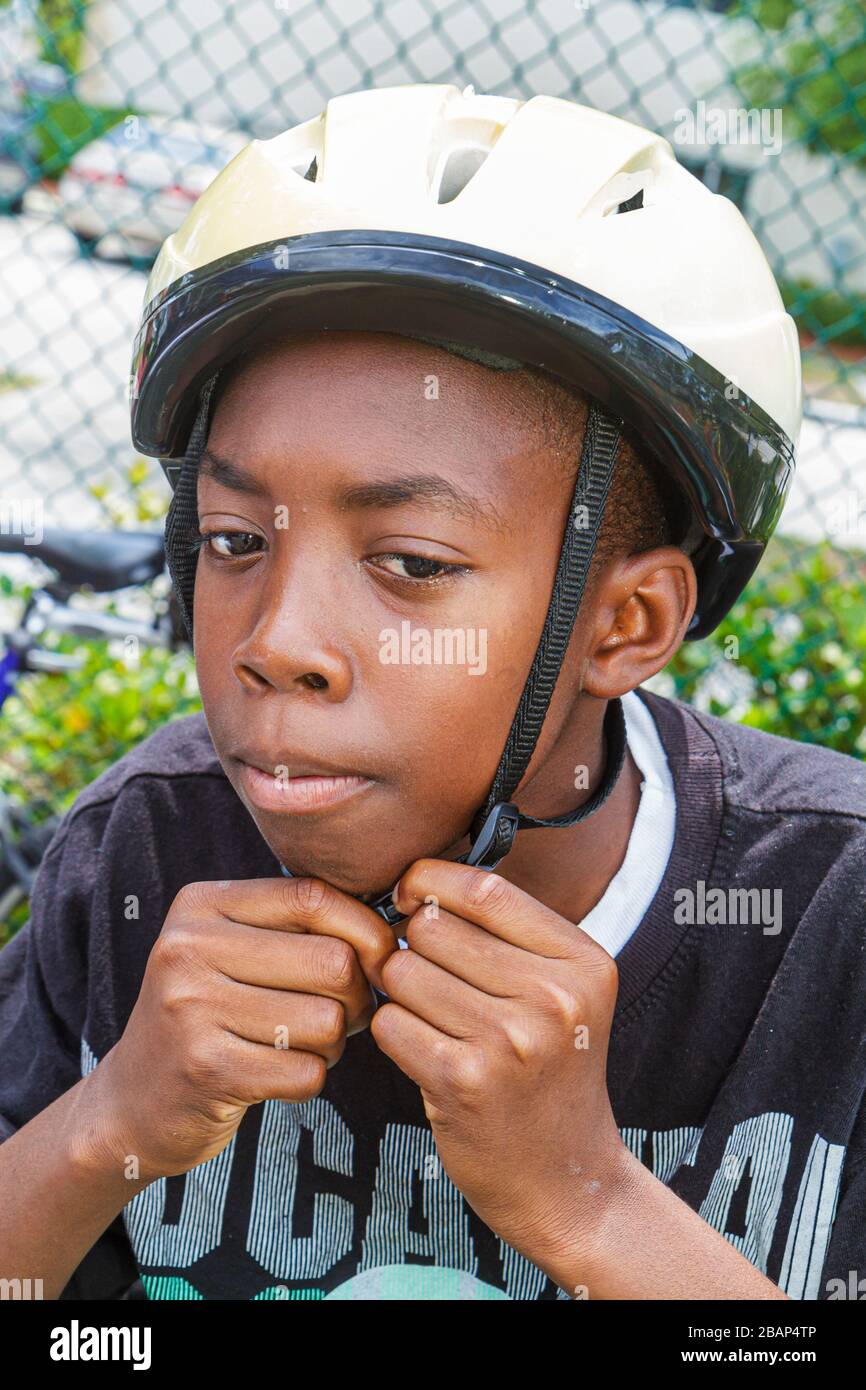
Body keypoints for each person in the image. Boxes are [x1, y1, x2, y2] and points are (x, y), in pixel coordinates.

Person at [1, 83, 864, 1302]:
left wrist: (592, 1206)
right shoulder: (137, 853)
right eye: (237, 539)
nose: (278, 643)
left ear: (626, 624)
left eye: (410, 564)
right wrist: (108, 1123)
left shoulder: (826, 920)